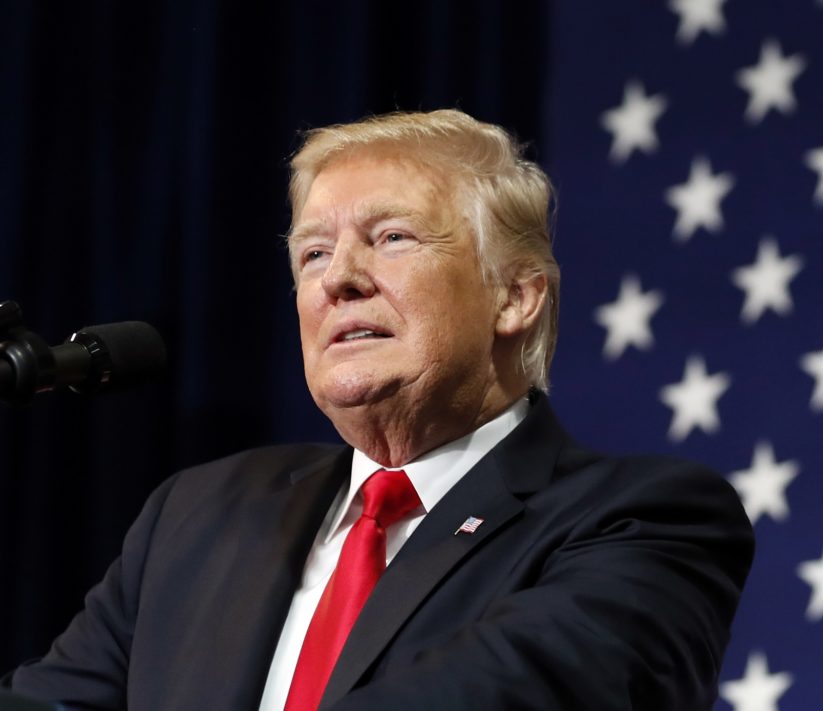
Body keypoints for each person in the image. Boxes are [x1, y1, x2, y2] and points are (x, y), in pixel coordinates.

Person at [4, 110, 754, 710]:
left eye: (391, 238)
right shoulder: (198, 513)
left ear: (515, 295)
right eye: (313, 254)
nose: (340, 280)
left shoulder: (647, 520)